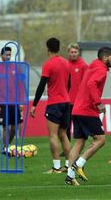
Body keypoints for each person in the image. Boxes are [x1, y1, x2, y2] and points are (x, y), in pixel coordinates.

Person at [65, 47, 111, 186]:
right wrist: (98, 103)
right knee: (100, 140)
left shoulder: (93, 65)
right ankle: (79, 164)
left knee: (79, 142)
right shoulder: (101, 69)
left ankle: (70, 176)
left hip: (77, 108)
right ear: (105, 58)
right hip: (87, 110)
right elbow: (91, 84)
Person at [30, 38, 71, 173]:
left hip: (54, 103)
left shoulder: (48, 64)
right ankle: (69, 165)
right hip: (66, 102)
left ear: (47, 48)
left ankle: (56, 167)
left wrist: (34, 104)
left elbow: (42, 85)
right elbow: (69, 84)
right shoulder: (66, 63)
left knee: (53, 135)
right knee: (63, 134)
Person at [0, 47, 23, 154]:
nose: (8, 57)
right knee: (6, 127)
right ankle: (6, 147)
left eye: (9, 55)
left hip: (15, 102)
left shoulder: (16, 68)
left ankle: (6, 146)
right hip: (2, 102)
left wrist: (22, 101)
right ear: (1, 55)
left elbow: (21, 85)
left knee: (15, 128)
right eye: (6, 55)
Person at [59, 43, 88, 157]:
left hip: (78, 102)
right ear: (68, 53)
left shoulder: (83, 66)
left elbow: (85, 84)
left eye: (75, 52)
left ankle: (78, 147)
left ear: (78, 53)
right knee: (65, 126)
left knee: (78, 126)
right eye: (71, 52)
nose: (73, 54)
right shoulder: (65, 65)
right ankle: (67, 149)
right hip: (66, 101)